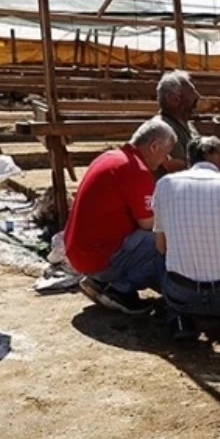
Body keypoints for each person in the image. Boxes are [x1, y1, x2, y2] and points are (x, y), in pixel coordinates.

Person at [153, 136, 220, 344]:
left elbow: (161, 246)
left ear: (188, 159)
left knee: (160, 258)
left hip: (182, 290)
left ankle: (179, 319)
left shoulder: (165, 185)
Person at [65, 119, 176, 315]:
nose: (166, 160)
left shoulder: (110, 157)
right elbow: (149, 223)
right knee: (168, 242)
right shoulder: (136, 170)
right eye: (166, 153)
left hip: (80, 253)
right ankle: (120, 289)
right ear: (154, 146)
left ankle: (101, 281)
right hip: (99, 257)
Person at [152, 70, 199, 179]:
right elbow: (180, 168)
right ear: (173, 99)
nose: (197, 96)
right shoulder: (162, 129)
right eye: (191, 91)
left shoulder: (188, 125)